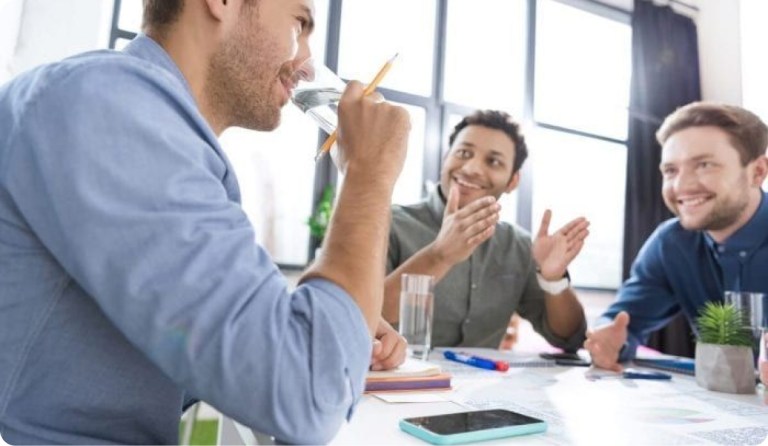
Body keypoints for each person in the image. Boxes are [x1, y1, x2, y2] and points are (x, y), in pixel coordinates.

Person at [0, 0, 411, 444]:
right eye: (300, 23)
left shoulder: (144, 121)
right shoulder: (109, 104)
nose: (307, 66)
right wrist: (370, 172)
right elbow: (305, 395)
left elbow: (212, 349)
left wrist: (317, 326)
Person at [383, 110, 590, 351]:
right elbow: (357, 317)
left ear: (512, 181)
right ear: (446, 157)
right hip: (395, 384)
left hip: (482, 385)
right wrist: (439, 255)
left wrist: (554, 280)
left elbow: (569, 338)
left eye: (493, 161)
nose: (472, 168)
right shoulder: (389, 223)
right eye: (463, 153)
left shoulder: (519, 246)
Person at [585, 102, 768, 371]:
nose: (681, 186)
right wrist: (608, 339)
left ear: (757, 172)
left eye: (704, 164)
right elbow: (623, 322)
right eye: (671, 170)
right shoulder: (670, 244)